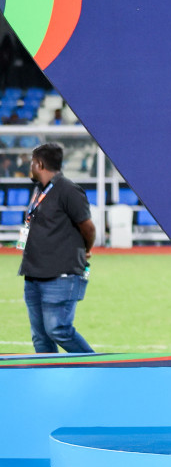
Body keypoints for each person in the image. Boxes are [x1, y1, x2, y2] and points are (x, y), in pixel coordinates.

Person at [19, 143, 95, 354]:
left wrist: (85, 249)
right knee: (40, 336)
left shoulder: (68, 190)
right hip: (34, 273)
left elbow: (87, 227)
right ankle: (48, 382)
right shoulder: (38, 190)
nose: (29, 167)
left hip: (62, 273)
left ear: (40, 164)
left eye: (32, 163)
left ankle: (97, 367)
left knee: (58, 329)